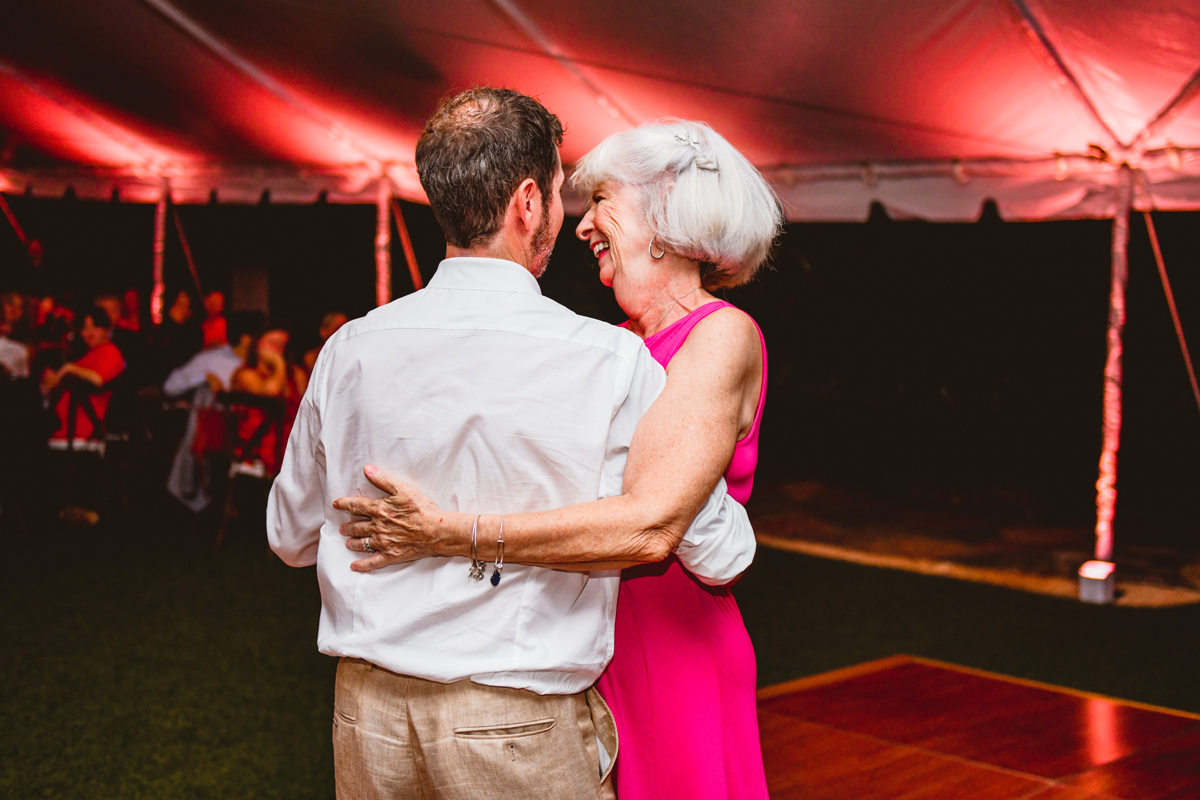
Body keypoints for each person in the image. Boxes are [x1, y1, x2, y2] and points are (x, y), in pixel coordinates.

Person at [267, 88, 756, 800]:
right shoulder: (608, 363)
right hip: (516, 727)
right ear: (529, 203)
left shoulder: (348, 351)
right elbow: (719, 548)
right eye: (562, 191)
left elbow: (288, 535)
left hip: (366, 718)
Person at [164, 311, 263, 512]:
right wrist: (202, 378)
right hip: (225, 438)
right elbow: (170, 387)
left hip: (260, 433)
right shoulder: (212, 359)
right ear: (246, 340)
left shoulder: (264, 364)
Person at [42, 304, 125, 447]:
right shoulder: (86, 357)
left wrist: (68, 368)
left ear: (106, 330)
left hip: (82, 434)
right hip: (61, 431)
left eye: (95, 327)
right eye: (85, 328)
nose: (89, 332)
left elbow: (98, 379)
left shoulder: (110, 352)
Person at [230, 327, 306, 476]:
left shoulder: (297, 374)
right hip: (258, 447)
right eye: (272, 343)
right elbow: (272, 394)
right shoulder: (246, 375)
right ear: (257, 345)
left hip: (293, 445)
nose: (277, 349)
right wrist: (279, 364)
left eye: (282, 345)